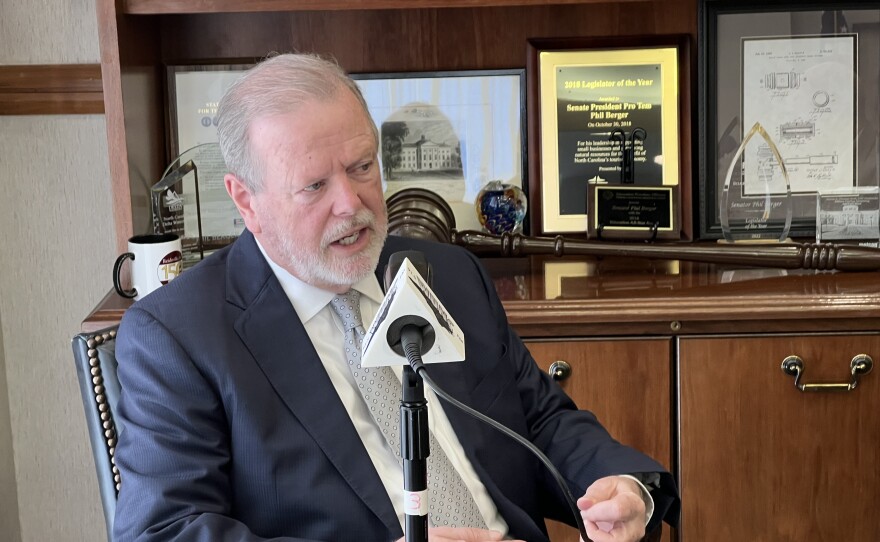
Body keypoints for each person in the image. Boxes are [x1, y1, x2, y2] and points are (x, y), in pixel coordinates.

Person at [113, 53, 679, 542]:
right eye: (314, 185)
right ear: (246, 200)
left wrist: (624, 485)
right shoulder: (180, 336)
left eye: (362, 167)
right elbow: (166, 530)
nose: (351, 203)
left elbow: (540, 420)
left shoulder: (449, 275)